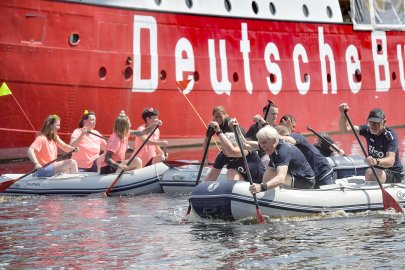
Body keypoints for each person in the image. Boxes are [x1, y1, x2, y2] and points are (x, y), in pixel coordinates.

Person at [339, 103, 404, 183]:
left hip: (394, 174)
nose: (372, 126)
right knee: (370, 172)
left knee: (370, 173)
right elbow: (345, 129)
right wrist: (343, 114)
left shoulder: (390, 136)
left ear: (384, 122)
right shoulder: (367, 130)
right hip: (378, 171)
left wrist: (375, 161)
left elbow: (391, 161)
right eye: (370, 122)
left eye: (376, 123)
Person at [249, 126, 316, 194]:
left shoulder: (283, 151)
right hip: (294, 176)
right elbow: (246, 144)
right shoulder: (273, 146)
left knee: (271, 173)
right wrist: (238, 130)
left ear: (274, 140)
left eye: (264, 142)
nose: (262, 146)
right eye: (260, 143)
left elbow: (281, 178)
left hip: (306, 182)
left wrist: (261, 187)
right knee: (269, 171)